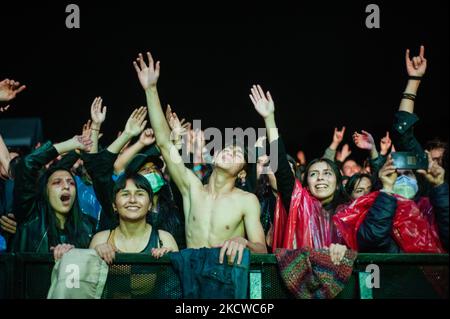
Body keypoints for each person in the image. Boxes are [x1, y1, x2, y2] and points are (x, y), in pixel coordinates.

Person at [133, 51, 267, 265]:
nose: (229, 152)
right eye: (227, 148)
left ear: (242, 172)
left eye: (237, 153)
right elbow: (165, 145)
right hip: (191, 277)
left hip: (226, 280)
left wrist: (244, 242)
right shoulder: (192, 188)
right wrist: (151, 90)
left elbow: (261, 249)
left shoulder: (246, 201)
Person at [250, 84, 347, 265]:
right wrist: (270, 119)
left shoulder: (349, 212)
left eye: (327, 173)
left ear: (338, 181)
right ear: (304, 182)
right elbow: (282, 170)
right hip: (295, 283)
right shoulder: (297, 202)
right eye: (314, 174)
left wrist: (346, 251)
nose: (320, 178)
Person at [12, 134, 97, 257]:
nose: (66, 186)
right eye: (57, 182)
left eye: (71, 183)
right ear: (45, 191)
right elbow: (27, 164)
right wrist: (69, 145)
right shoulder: (31, 218)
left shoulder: (89, 226)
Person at [88, 173, 179, 263]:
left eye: (140, 194)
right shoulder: (100, 240)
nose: (132, 200)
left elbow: (176, 276)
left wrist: (167, 261)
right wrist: (96, 254)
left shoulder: (164, 239)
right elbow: (87, 276)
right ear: (114, 205)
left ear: (150, 205)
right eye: (125, 194)